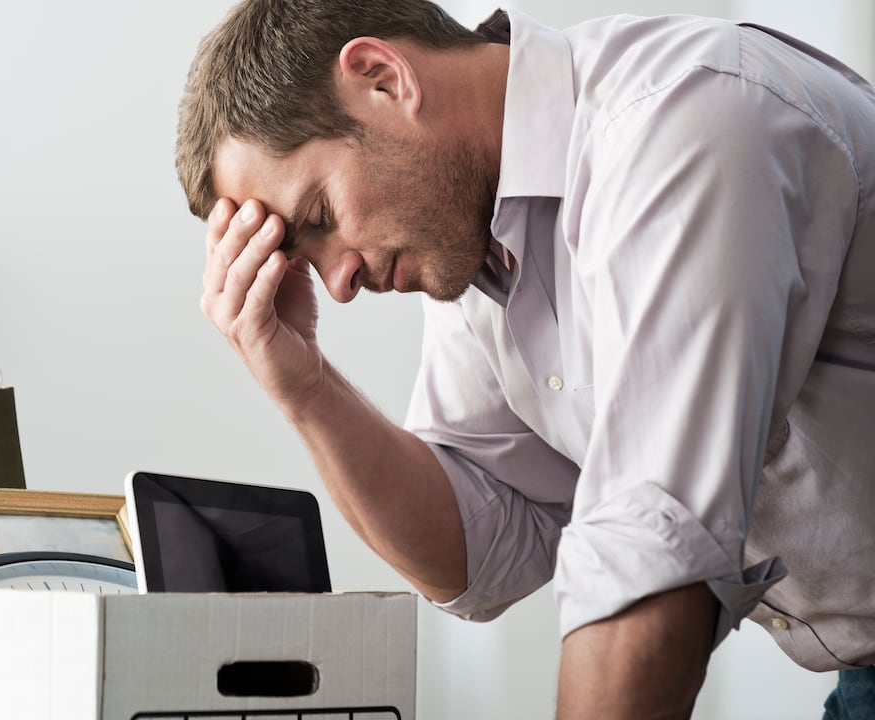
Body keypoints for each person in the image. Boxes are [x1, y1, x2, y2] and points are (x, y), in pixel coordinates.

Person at [173, 1, 875, 717]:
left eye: (318, 218)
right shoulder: (480, 243)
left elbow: (654, 551)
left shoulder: (680, 123)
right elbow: (476, 555)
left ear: (383, 78)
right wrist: (305, 387)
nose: (340, 285)